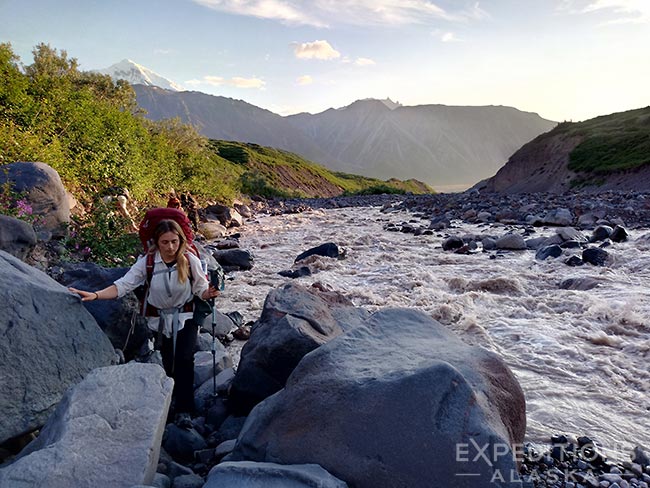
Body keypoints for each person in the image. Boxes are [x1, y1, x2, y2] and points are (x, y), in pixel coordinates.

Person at [69, 219, 220, 421]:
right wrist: (95, 295)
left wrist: (208, 294)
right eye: (165, 242)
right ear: (157, 243)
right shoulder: (148, 263)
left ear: (180, 240)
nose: (170, 247)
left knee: (185, 358)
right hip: (160, 320)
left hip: (186, 316)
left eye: (174, 241)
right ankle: (172, 400)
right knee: (168, 361)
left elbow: (200, 289)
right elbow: (123, 285)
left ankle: (185, 408)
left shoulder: (189, 260)